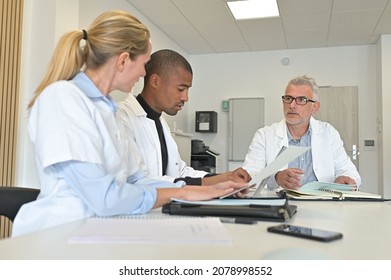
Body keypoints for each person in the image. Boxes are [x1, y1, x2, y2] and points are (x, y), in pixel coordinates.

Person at [12, 11, 248, 236]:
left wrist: (207, 188)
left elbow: (138, 179)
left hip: (103, 230)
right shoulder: (63, 99)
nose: (145, 72)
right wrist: (183, 191)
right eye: (145, 63)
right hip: (59, 236)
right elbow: (105, 198)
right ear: (124, 60)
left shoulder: (107, 110)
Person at [116, 49, 251, 186]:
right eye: (181, 89)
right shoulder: (122, 117)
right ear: (155, 81)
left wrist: (225, 177)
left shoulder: (160, 122)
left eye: (187, 90)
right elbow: (138, 181)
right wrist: (209, 183)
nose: (185, 98)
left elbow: (179, 173)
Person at [242, 75, 361, 190]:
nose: (292, 105)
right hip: (281, 205)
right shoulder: (264, 135)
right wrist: (276, 178)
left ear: (314, 107)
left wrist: (346, 179)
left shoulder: (328, 133)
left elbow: (347, 169)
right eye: (288, 99)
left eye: (301, 100)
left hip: (322, 204)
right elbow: (248, 176)